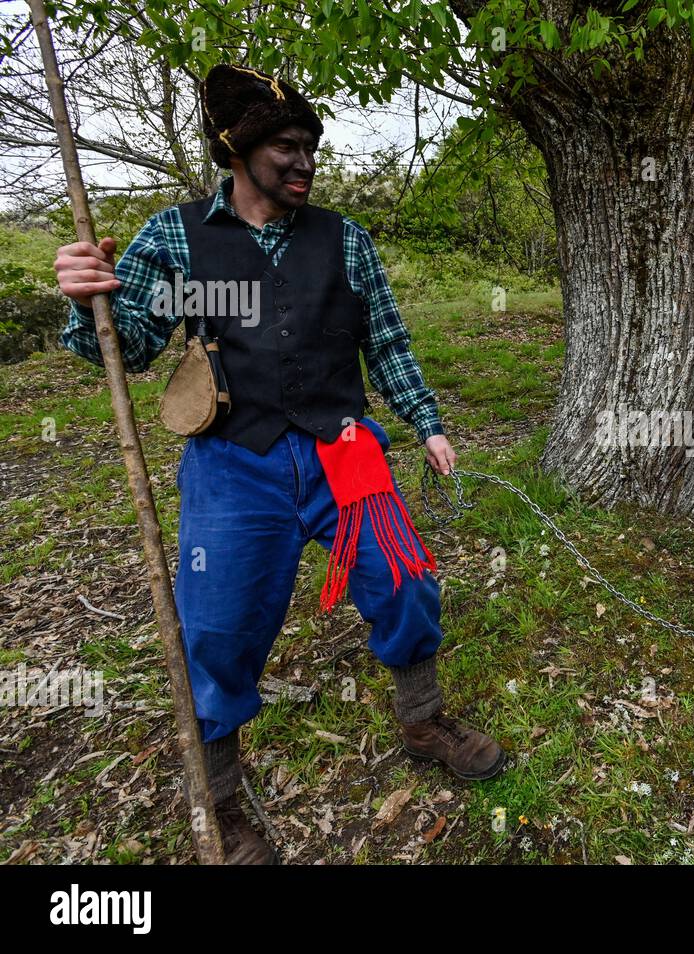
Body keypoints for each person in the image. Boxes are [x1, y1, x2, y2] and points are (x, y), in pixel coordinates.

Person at [53, 64, 505, 865]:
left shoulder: (344, 239)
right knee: (220, 625)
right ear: (239, 150)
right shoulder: (178, 239)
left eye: (311, 149)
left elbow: (387, 344)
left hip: (343, 448)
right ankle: (222, 800)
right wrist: (90, 298)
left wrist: (426, 422)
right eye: (286, 149)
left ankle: (422, 717)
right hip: (234, 462)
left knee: (405, 580)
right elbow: (126, 348)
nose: (303, 164)